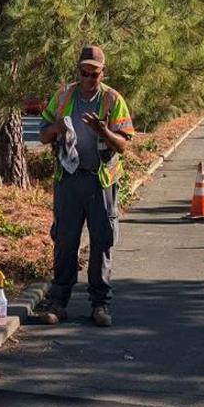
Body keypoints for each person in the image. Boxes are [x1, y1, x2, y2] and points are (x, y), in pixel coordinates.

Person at [37, 45, 135, 326]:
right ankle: (58, 302)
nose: (89, 79)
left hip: (100, 181)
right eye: (84, 73)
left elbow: (125, 144)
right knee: (65, 241)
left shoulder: (112, 100)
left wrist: (103, 131)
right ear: (77, 71)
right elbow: (43, 135)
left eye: (95, 74)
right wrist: (56, 129)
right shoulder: (64, 95)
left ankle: (100, 305)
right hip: (68, 180)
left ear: (103, 73)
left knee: (102, 241)